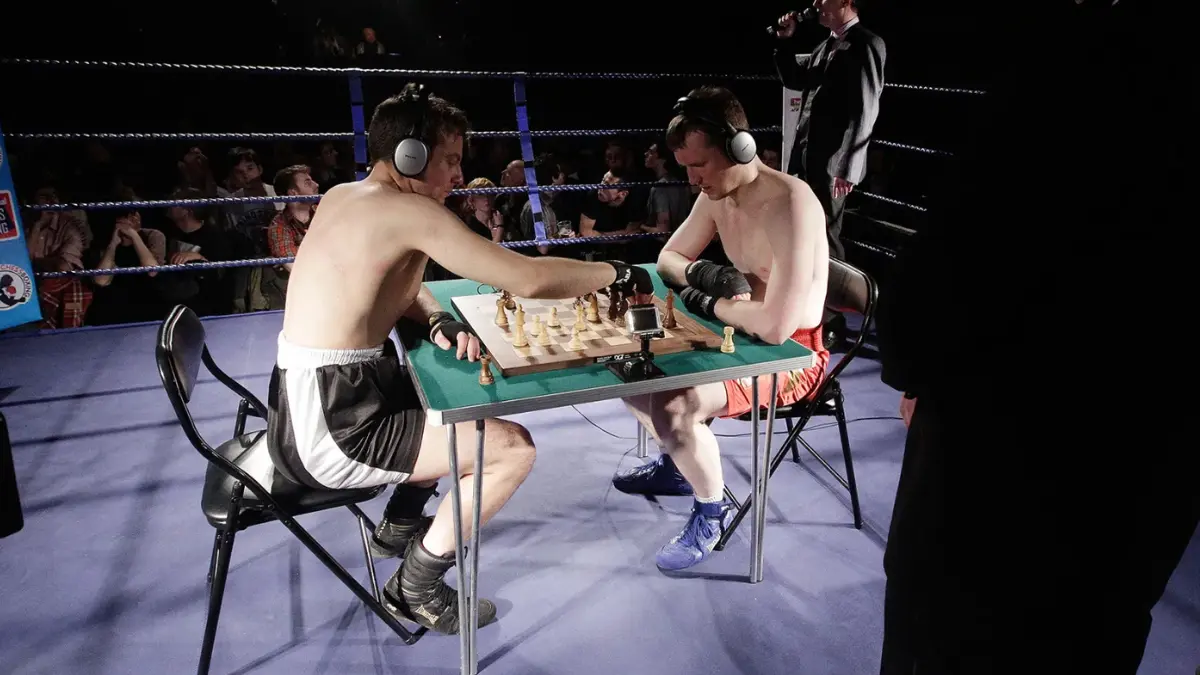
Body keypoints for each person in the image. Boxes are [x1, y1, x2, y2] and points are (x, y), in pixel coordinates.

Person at [874, 1, 1196, 673]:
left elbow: (913, 323)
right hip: (1127, 520)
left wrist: (923, 372)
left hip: (976, 510)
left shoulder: (1037, 124)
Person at [265, 83, 653, 635]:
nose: (458, 174)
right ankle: (416, 586)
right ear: (410, 156)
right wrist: (617, 272)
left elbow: (394, 280)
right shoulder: (410, 213)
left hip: (311, 402)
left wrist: (436, 319)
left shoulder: (345, 196)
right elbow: (528, 278)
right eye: (449, 160)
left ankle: (399, 527)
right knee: (511, 451)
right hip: (332, 428)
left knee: (439, 399)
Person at [610, 86, 831, 572]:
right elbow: (668, 258)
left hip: (796, 358)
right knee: (625, 369)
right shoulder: (717, 194)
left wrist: (709, 301)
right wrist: (707, 275)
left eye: (700, 165)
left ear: (739, 147)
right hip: (741, 334)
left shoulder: (789, 204)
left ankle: (712, 512)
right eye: (685, 167)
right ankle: (679, 463)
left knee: (675, 405)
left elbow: (776, 327)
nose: (692, 180)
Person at [773, 0, 885, 344]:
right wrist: (786, 41)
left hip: (833, 162)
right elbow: (795, 80)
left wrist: (850, 166)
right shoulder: (825, 46)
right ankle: (810, 311)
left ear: (846, 2)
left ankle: (831, 322)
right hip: (806, 158)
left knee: (827, 237)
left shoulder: (867, 43)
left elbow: (867, 107)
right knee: (805, 232)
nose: (817, 4)